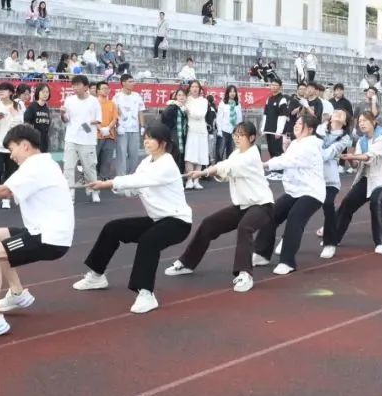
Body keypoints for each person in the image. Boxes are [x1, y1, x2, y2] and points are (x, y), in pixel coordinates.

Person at [0, 125, 75, 339]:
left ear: (25, 146)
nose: (11, 156)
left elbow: (5, 191)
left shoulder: (35, 166)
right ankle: (17, 293)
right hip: (41, 231)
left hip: (49, 238)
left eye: (12, 149)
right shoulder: (43, 163)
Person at [74, 123, 194, 314]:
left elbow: (139, 180)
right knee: (112, 229)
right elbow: (134, 187)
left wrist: (109, 183)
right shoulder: (146, 163)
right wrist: (113, 187)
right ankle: (96, 276)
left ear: (163, 143)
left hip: (178, 222)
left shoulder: (167, 164)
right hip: (157, 219)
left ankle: (146, 293)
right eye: (145, 138)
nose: (146, 141)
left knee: (149, 241)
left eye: (150, 138)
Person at [165, 121, 275, 292]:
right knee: (209, 224)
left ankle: (245, 274)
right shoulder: (236, 153)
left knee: (245, 227)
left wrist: (203, 172)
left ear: (252, 138)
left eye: (241, 135)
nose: (237, 138)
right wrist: (207, 171)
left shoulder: (252, 155)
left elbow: (228, 167)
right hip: (243, 205)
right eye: (235, 134)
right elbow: (226, 168)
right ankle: (186, 263)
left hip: (262, 205)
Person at [256, 114, 325, 274]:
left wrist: (265, 165)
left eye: (300, 123)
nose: (296, 125)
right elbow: (285, 157)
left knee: (295, 218)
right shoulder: (295, 143)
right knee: (270, 215)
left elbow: (289, 161)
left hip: (312, 192)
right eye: (296, 122)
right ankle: (261, 254)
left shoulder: (311, 145)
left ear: (310, 129)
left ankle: (288, 262)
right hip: (294, 191)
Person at [329, 111, 382, 255]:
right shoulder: (362, 141)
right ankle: (333, 238)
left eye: (365, 121)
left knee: (377, 202)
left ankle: (381, 242)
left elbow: (368, 156)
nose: (361, 124)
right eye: (360, 121)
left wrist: (353, 156)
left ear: (374, 122)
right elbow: (356, 164)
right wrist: (349, 158)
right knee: (347, 203)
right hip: (366, 178)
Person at [316, 109, 354, 258]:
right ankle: (287, 239)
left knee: (328, 205)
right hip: (312, 177)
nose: (338, 113)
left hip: (330, 179)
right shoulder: (320, 128)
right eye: (336, 112)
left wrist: (314, 152)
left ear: (345, 122)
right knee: (298, 207)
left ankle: (330, 242)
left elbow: (326, 155)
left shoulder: (345, 138)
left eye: (342, 114)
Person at [61, 75, 102, 204]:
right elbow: (65, 120)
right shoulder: (69, 100)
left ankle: (94, 190)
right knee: (68, 167)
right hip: (71, 138)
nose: (75, 88)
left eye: (78, 85)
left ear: (86, 87)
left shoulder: (94, 101)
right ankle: (70, 193)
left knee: (89, 168)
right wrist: (62, 114)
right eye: (73, 85)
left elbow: (98, 119)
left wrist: (88, 123)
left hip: (87, 140)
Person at [113, 74, 145, 176]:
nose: (133, 83)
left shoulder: (137, 96)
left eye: (133, 81)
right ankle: (121, 177)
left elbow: (140, 111)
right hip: (122, 130)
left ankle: (132, 176)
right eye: (130, 82)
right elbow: (115, 113)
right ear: (123, 83)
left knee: (134, 154)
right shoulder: (117, 97)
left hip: (134, 129)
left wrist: (142, 126)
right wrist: (117, 126)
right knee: (121, 154)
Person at [260, 80, 290, 180]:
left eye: (275, 85)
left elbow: (283, 116)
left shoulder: (282, 99)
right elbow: (265, 115)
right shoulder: (269, 99)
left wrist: (279, 131)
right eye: (272, 85)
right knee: (271, 150)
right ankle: (274, 171)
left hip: (277, 132)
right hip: (269, 130)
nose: (273, 86)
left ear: (280, 87)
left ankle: (280, 172)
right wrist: (263, 129)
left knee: (278, 152)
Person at [183, 80, 209, 190]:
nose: (195, 88)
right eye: (192, 86)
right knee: (190, 156)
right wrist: (189, 110)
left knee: (200, 156)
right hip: (191, 130)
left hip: (202, 130)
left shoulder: (204, 101)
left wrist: (189, 111)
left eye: (197, 87)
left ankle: (196, 180)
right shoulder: (187, 100)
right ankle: (189, 179)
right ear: (189, 88)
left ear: (199, 89)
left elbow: (200, 114)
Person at [160, 88, 189, 172]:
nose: (181, 97)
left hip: (183, 136)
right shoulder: (173, 107)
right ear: (176, 97)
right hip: (174, 136)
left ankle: (180, 176)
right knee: (174, 157)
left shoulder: (184, 108)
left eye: (183, 95)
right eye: (179, 95)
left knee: (181, 157)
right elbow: (164, 117)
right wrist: (173, 104)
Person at [94, 82, 118, 180]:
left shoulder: (112, 103)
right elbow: (91, 118)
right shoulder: (93, 103)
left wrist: (108, 128)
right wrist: (100, 128)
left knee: (107, 159)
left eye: (107, 88)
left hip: (109, 135)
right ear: (98, 91)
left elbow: (115, 118)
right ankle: (92, 178)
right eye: (103, 88)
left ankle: (104, 178)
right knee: (94, 158)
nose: (106, 90)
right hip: (96, 135)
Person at [216, 85, 242, 162]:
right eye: (230, 91)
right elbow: (219, 118)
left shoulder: (238, 104)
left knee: (231, 153)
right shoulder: (223, 103)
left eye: (234, 91)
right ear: (227, 93)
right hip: (224, 130)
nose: (232, 93)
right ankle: (218, 168)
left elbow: (239, 118)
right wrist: (219, 130)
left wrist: (239, 131)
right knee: (220, 152)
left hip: (234, 131)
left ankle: (229, 168)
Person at [24, 84, 52, 153]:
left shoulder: (46, 108)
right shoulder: (32, 107)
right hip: (34, 142)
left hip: (44, 143)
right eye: (43, 92)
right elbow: (26, 124)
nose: (45, 94)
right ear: (38, 93)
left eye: (47, 92)